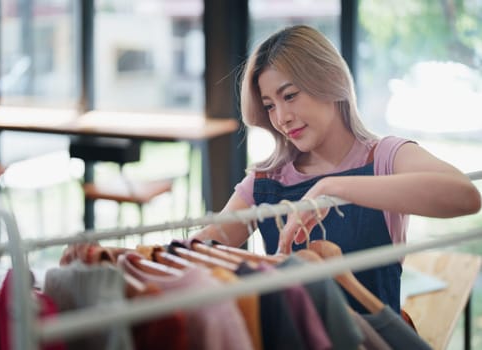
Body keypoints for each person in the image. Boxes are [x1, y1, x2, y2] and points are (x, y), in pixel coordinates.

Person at [191, 24, 481, 313]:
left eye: (290, 96)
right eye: (270, 105)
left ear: (330, 80)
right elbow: (203, 247)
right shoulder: (266, 181)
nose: (282, 118)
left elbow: (466, 197)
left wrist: (333, 188)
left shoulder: (384, 158)